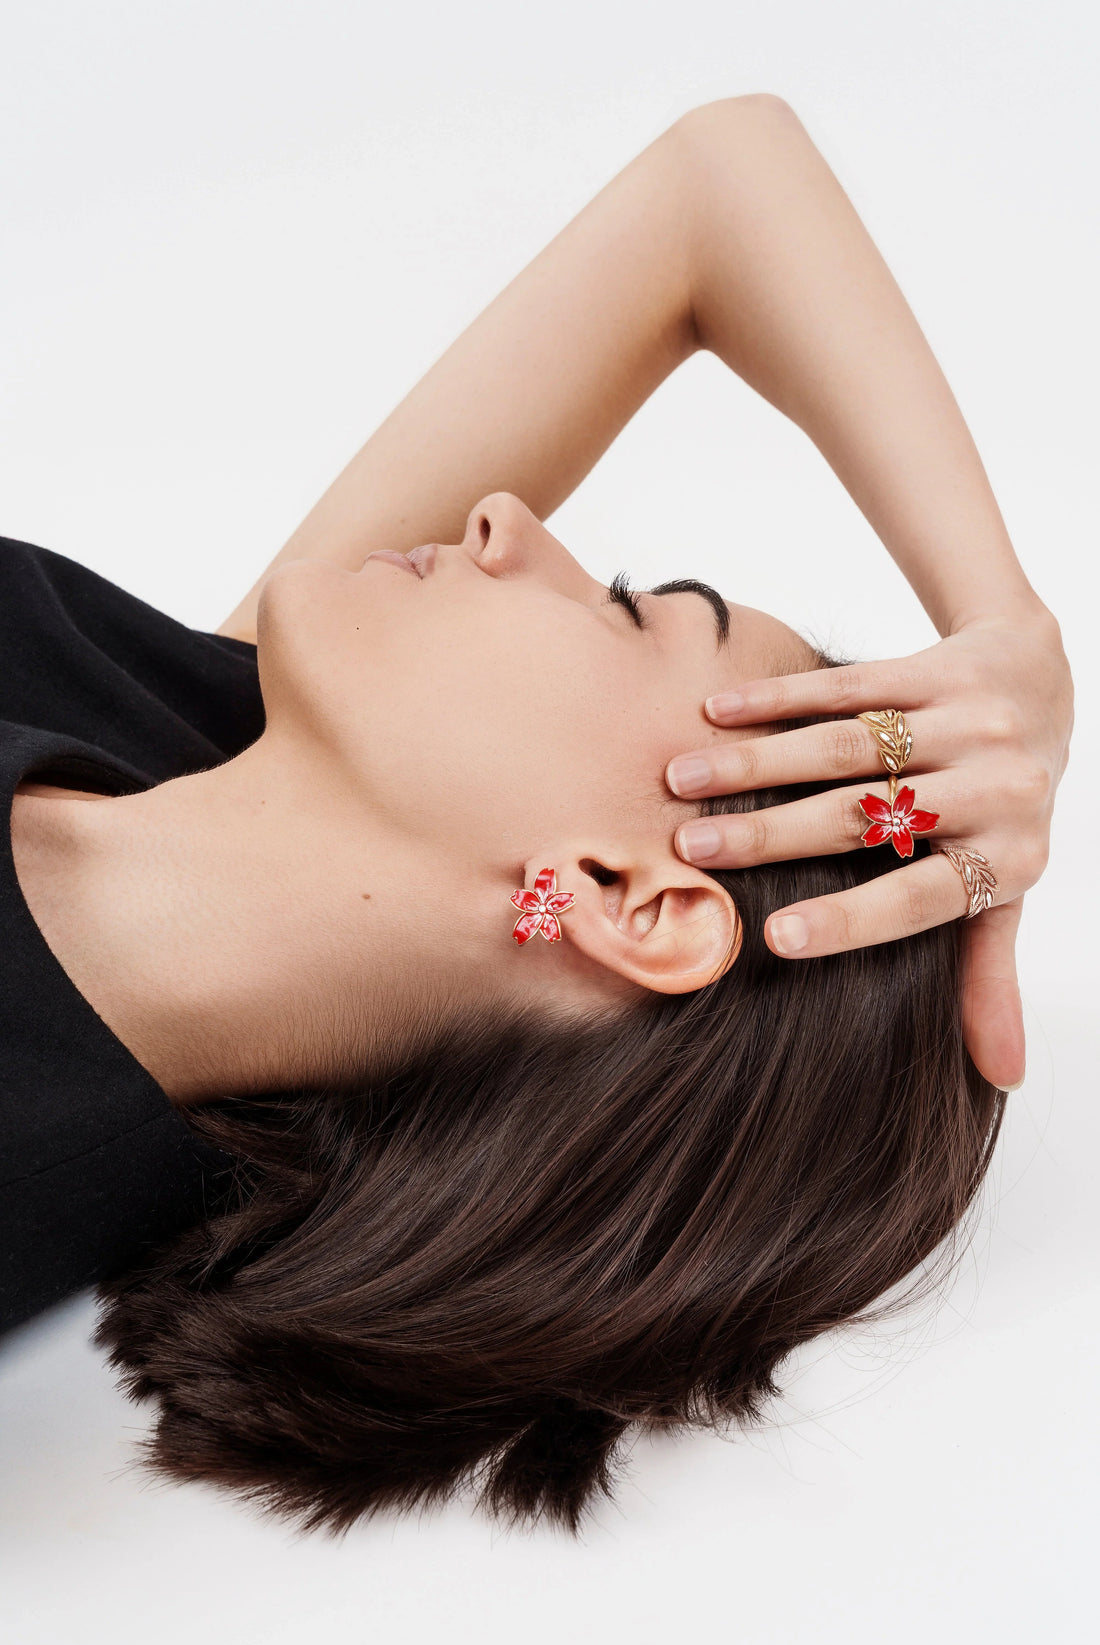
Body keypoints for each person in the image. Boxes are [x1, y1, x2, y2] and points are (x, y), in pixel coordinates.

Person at [0, 95, 1071, 1532]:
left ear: (628, 895)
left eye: (628, 610)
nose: (508, 521)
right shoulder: (185, 728)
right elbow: (719, 183)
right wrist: (1005, 630)